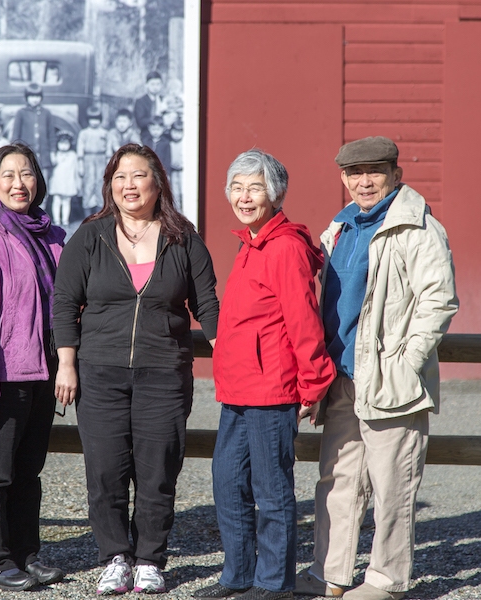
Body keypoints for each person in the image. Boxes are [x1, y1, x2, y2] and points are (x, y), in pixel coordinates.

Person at [294, 137, 458, 600]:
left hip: (390, 380)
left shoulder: (417, 227)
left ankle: (386, 581)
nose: (364, 181)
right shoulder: (340, 227)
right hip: (342, 377)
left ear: (395, 174)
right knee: (338, 481)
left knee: (393, 487)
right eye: (354, 173)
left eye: (374, 171)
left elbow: (439, 299)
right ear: (343, 178)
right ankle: (329, 574)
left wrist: (407, 363)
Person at [53, 144, 220, 595]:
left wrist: (226, 353)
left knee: (157, 471)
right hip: (99, 372)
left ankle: (149, 558)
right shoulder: (91, 236)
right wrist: (66, 363)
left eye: (139, 175)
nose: (129, 185)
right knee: (106, 471)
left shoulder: (183, 238)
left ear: (157, 182)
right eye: (120, 176)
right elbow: (65, 303)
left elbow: (207, 304)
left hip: (163, 373)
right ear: (110, 184)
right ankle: (114, 557)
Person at [193, 150, 336, 600]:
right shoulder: (251, 243)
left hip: (271, 391)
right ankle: (239, 574)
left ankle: (273, 584)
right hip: (237, 389)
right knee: (228, 483)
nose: (243, 196)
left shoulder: (285, 247)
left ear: (275, 194)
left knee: (271, 491)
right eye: (236, 187)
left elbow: (303, 321)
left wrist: (313, 385)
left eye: (254, 187)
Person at [0, 143, 66, 592]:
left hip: (45, 370)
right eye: (8, 176)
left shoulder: (54, 237)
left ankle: (26, 555)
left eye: (26, 174)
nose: (19, 183)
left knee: (28, 472)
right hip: (4, 375)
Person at [11, 83, 57, 186]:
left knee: (43, 184)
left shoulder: (47, 113)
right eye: (31, 96)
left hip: (44, 157)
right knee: (26, 183)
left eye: (37, 96)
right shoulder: (21, 113)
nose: (34, 99)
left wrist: (53, 152)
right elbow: (15, 136)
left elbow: (51, 135)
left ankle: (43, 202)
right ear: (27, 98)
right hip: (26, 156)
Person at [77, 106, 108, 218]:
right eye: (92, 119)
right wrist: (80, 164)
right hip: (87, 160)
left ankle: (100, 215)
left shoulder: (104, 133)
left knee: (100, 186)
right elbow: (80, 149)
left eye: (97, 119)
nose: (94, 122)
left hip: (101, 160)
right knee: (88, 186)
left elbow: (108, 149)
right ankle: (87, 216)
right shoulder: (84, 133)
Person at [50, 131, 79, 226]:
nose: (63, 146)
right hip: (58, 181)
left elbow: (76, 169)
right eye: (61, 143)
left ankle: (65, 219)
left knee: (66, 201)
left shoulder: (73, 155)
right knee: (57, 200)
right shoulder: (56, 155)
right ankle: (57, 219)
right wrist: (52, 155)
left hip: (68, 181)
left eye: (66, 143)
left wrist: (77, 181)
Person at [133, 71, 167, 141]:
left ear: (161, 85)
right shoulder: (140, 101)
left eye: (158, 84)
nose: (155, 87)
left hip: (163, 136)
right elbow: (140, 122)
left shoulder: (164, 99)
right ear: (146, 85)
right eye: (152, 84)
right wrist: (161, 119)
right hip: (147, 136)